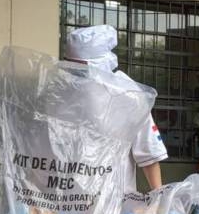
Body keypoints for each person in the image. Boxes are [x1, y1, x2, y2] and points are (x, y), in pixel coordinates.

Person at [64, 25, 168, 191]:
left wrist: (159, 201)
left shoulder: (129, 95)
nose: (74, 74)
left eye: (81, 68)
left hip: (113, 202)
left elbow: (149, 154)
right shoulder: (61, 93)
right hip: (68, 199)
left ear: (101, 64)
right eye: (70, 66)